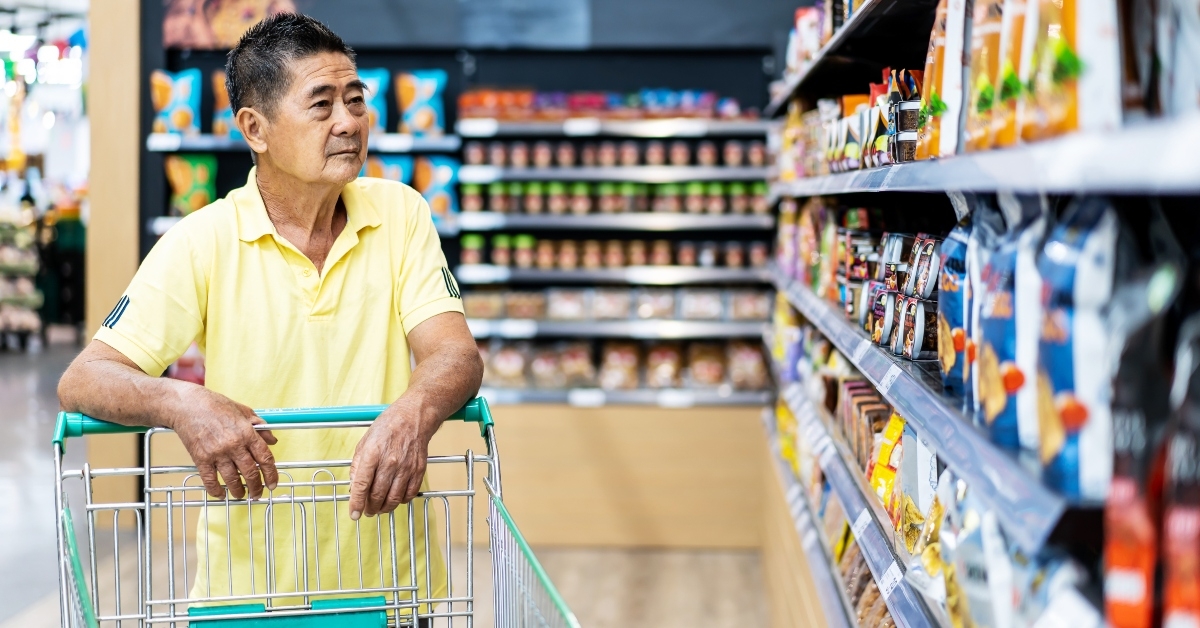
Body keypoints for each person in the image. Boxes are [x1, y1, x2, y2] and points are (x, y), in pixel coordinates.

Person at [57, 12, 482, 612]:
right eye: (322, 104)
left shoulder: (402, 213)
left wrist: (415, 412)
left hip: (391, 589)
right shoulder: (201, 240)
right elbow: (83, 380)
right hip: (248, 594)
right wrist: (183, 403)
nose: (349, 122)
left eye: (356, 99)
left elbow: (454, 353)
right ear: (255, 128)